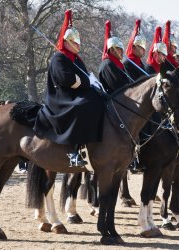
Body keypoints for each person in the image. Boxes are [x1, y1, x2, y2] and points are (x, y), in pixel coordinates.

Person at [33, 10, 105, 167]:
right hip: (62, 97)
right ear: (66, 42)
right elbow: (68, 80)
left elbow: (83, 76)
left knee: (98, 99)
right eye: (75, 42)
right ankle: (72, 150)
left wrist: (88, 81)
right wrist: (86, 81)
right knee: (81, 107)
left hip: (74, 93)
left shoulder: (75, 59)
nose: (78, 45)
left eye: (79, 42)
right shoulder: (59, 58)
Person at [99, 20, 133, 93]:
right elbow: (117, 86)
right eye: (119, 49)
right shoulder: (108, 64)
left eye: (122, 49)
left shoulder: (116, 64)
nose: (122, 52)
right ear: (111, 50)